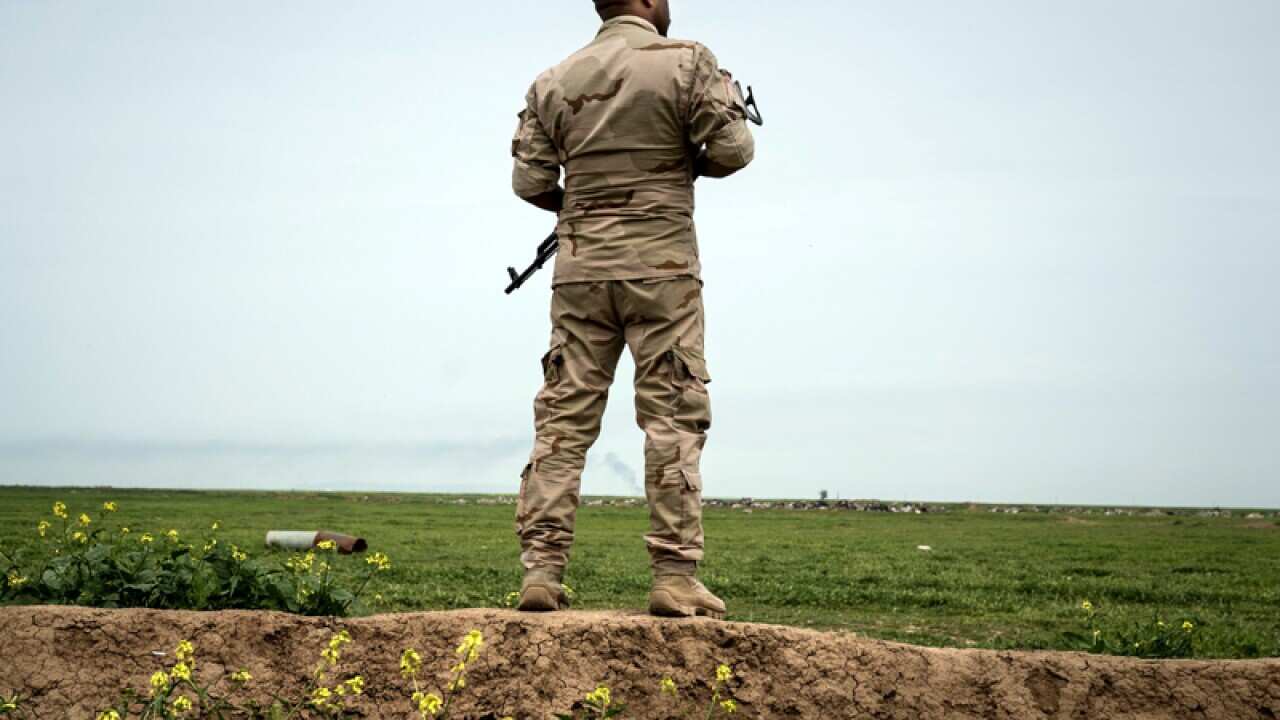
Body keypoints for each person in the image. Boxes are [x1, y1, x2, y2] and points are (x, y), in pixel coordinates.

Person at [509, 0, 754, 619]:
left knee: (563, 420)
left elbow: (531, 181)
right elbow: (733, 151)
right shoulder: (688, 61)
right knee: (672, 417)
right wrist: (679, 164)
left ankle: (541, 570)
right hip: (663, 271)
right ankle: (673, 575)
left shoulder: (553, 80)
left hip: (580, 274)